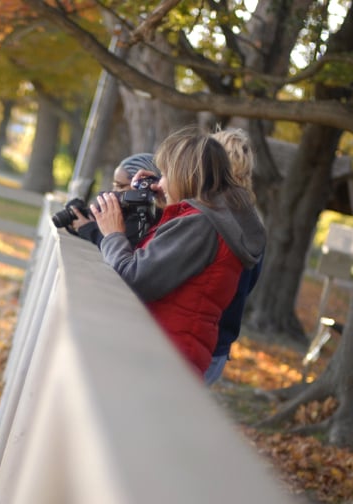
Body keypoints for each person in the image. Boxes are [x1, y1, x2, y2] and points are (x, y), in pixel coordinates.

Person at [87, 126, 267, 376]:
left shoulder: (200, 225)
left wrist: (113, 234)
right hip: (175, 351)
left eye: (165, 174)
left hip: (166, 357)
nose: (159, 182)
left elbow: (134, 278)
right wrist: (167, 203)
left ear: (184, 176)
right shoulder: (216, 219)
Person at [204, 127, 264, 385]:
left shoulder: (207, 215)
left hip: (197, 339)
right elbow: (249, 284)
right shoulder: (252, 222)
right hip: (219, 344)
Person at [70, 153, 161, 246]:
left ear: (145, 186)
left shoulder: (149, 219)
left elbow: (123, 248)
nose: (114, 191)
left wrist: (89, 229)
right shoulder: (128, 211)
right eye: (114, 185)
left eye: (120, 186)